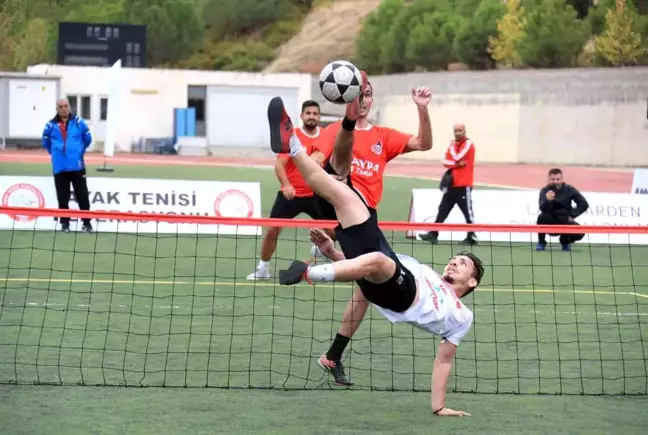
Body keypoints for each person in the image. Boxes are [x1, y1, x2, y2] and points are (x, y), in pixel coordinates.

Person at [267, 95, 483, 417]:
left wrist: (439, 407)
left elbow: (444, 359)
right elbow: (365, 272)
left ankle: (308, 274)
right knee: (339, 192)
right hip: (384, 259)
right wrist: (334, 252)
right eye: (456, 258)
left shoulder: (462, 316)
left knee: (380, 262)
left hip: (404, 295)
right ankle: (291, 144)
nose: (454, 261)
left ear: (473, 281)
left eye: (462, 263)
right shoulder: (428, 272)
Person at [307, 71, 434, 385]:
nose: (362, 100)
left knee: (367, 286)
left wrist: (422, 108)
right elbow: (320, 162)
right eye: (357, 95)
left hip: (367, 217)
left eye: (366, 95)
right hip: (343, 202)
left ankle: (333, 355)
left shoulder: (383, 136)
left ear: (370, 100)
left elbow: (424, 143)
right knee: (382, 276)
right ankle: (321, 261)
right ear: (348, 98)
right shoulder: (335, 129)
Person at [247, 100, 332, 280]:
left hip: (317, 194)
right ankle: (263, 268)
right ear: (301, 116)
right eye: (308, 113)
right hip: (291, 194)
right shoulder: (292, 136)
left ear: (319, 117)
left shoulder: (326, 136)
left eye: (315, 114)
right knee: (272, 231)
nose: (311, 116)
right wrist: (286, 185)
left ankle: (326, 252)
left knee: (336, 230)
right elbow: (279, 164)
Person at [41, 98, 93, 233]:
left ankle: (86, 223)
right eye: (60, 106)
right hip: (59, 166)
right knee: (62, 196)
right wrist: (55, 153)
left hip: (77, 165)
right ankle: (65, 224)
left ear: (69, 107)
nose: (63, 108)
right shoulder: (50, 125)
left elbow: (88, 139)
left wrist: (79, 151)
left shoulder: (79, 122)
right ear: (56, 109)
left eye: (65, 106)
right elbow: (45, 142)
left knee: (82, 195)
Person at [420, 123, 477, 245]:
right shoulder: (453, 144)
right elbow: (445, 161)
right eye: (455, 131)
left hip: (463, 184)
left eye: (460, 130)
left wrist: (453, 155)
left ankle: (472, 236)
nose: (457, 133)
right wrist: (456, 164)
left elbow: (457, 156)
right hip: (452, 184)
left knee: (467, 211)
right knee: (443, 209)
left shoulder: (468, 144)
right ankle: (433, 233)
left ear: (465, 131)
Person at [536, 168, 588, 252]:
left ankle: (565, 241)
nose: (555, 181)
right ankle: (541, 242)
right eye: (553, 179)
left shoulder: (569, 189)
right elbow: (542, 208)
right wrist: (547, 200)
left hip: (565, 220)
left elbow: (584, 204)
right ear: (549, 179)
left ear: (562, 179)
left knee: (580, 233)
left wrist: (572, 215)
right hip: (550, 220)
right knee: (542, 217)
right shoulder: (545, 190)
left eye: (558, 179)